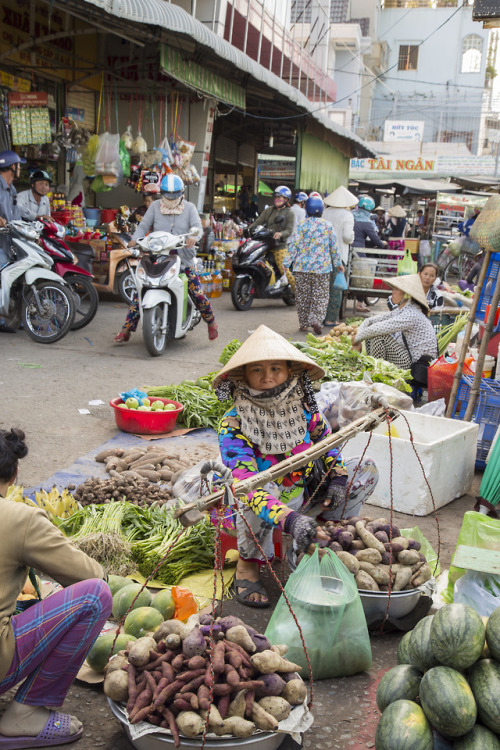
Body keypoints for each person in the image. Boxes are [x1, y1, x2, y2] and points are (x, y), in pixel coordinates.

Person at [214, 325, 379, 607]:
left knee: (365, 468)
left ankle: (329, 532)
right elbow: (245, 486)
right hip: (260, 505)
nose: (267, 377)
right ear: (243, 376)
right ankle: (248, 566)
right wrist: (290, 519)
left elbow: (326, 444)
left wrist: (338, 478)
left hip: (305, 495)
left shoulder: (302, 408)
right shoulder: (233, 423)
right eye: (257, 370)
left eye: (276, 368)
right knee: (258, 486)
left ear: (290, 372)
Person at [0, 427, 112, 749]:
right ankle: (26, 715)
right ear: (15, 473)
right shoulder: (19, 519)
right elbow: (90, 576)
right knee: (95, 596)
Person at [113, 174, 218, 343]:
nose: (170, 198)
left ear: (181, 193)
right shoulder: (155, 207)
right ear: (161, 193)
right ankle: (126, 329)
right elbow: (143, 226)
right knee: (141, 289)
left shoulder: (189, 208)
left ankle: (211, 321)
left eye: (174, 194)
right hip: (157, 258)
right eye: (166, 194)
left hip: (183, 259)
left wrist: (194, 237)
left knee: (196, 292)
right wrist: (135, 240)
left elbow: (197, 227)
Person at [352, 273, 438, 368]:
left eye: (396, 289)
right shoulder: (401, 310)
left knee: (378, 336)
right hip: (408, 357)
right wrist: (358, 338)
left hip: (415, 364)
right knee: (371, 334)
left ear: (406, 295)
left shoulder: (411, 314)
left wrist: (356, 339)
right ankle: (374, 368)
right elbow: (370, 321)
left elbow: (376, 329)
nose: (393, 292)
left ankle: (376, 370)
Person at [284, 195, 340, 335]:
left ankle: (303, 324)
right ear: (321, 210)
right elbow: (334, 247)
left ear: (307, 210)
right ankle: (316, 319)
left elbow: (294, 245)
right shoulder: (327, 226)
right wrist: (338, 263)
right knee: (320, 296)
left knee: (303, 296)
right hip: (322, 269)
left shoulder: (302, 225)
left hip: (302, 268)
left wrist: (286, 262)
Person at [323, 185, 358, 327]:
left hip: (323, 256)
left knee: (323, 289)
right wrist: (353, 236)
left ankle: (320, 317)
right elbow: (347, 237)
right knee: (335, 289)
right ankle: (331, 319)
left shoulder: (325, 213)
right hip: (339, 257)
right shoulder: (347, 215)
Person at [248, 185, 295, 290]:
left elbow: (289, 230)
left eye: (280, 197)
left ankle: (299, 293)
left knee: (284, 270)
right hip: (265, 243)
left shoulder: (289, 213)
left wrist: (281, 234)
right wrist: (248, 229)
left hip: (280, 246)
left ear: (286, 199)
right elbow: (258, 222)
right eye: (276, 197)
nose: (277, 199)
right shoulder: (269, 210)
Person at [352, 195, 387, 313]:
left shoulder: (351, 215)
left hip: (347, 250)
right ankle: (360, 303)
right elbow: (376, 240)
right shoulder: (367, 222)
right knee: (364, 275)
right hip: (359, 251)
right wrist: (383, 243)